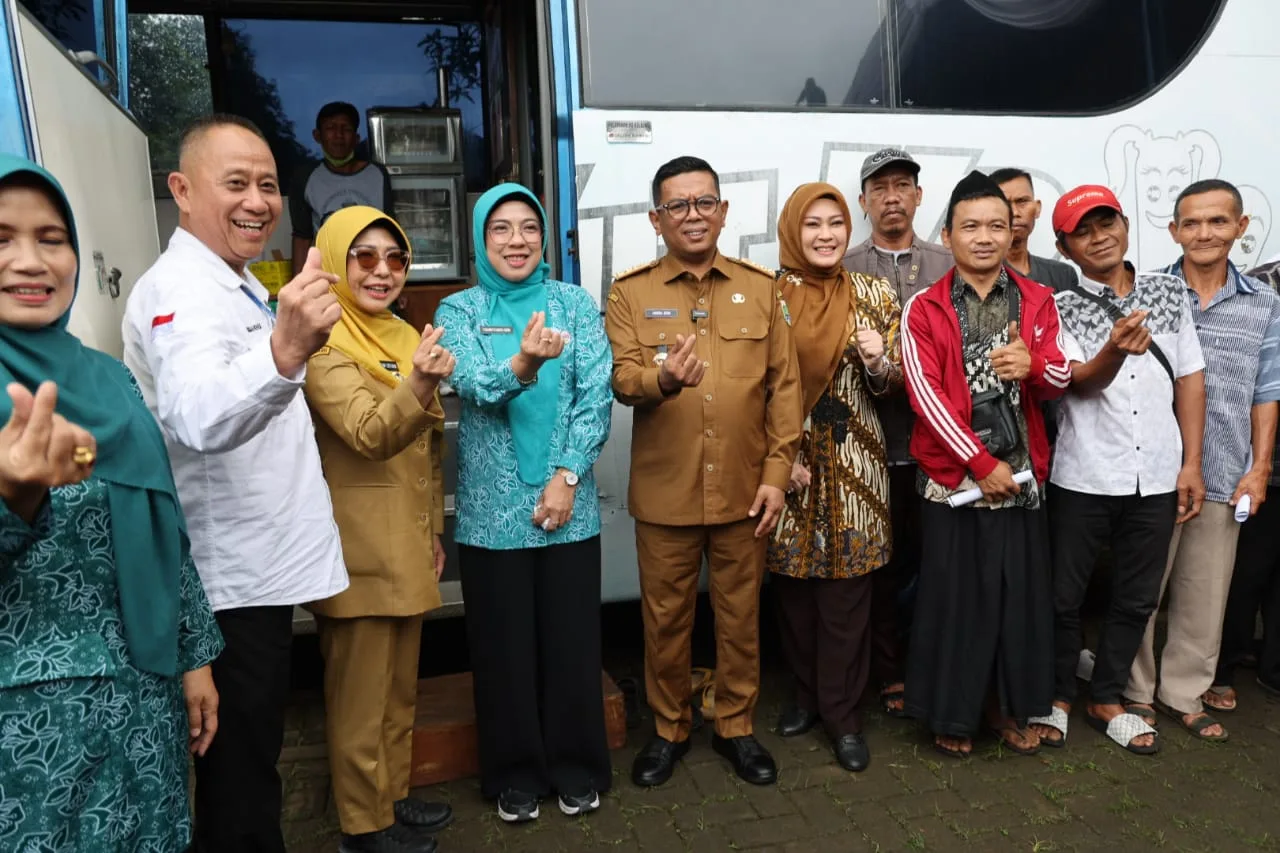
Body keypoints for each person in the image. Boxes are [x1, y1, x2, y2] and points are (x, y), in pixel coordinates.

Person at [122, 114, 350, 853]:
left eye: (269, 185)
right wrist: (285, 349)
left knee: (252, 759)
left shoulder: (237, 280)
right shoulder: (182, 290)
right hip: (229, 585)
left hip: (258, 571)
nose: (258, 202)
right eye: (237, 184)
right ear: (182, 190)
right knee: (240, 775)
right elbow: (195, 415)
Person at [0, 154, 223, 851]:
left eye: (51, 238)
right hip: (29, 739)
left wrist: (194, 656)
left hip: (142, 710)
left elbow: (164, 523)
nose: (30, 261)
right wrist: (14, 494)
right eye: (1, 239)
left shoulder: (110, 381)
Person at [605, 155, 803, 787]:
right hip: (667, 492)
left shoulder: (761, 288)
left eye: (703, 202)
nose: (692, 215)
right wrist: (662, 379)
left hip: (746, 489)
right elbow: (622, 378)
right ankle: (669, 729)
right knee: (666, 621)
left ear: (722, 211)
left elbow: (785, 390)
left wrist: (777, 474)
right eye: (677, 205)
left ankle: (736, 726)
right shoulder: (630, 292)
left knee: (740, 617)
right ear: (655, 219)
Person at [436, 183, 612, 824]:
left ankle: (576, 766)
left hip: (570, 505)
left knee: (571, 646)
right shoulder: (459, 309)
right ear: (481, 240)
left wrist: (567, 475)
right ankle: (514, 774)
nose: (517, 240)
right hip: (492, 515)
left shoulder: (573, 302)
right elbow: (471, 383)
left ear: (544, 237)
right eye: (501, 229)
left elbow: (596, 394)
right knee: (503, 650)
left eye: (529, 227)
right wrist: (523, 364)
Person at [1025, 185, 1206, 755]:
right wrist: (1114, 350)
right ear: (1063, 247)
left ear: (1126, 225)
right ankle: (1057, 695)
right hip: (1084, 474)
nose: (1099, 237)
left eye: (1107, 223)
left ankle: (1106, 698)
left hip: (1158, 472)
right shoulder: (1058, 306)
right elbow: (1076, 383)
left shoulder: (1168, 292)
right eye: (1082, 231)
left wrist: (1191, 463)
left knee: (1137, 597)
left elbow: (1190, 377)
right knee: (1063, 595)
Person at [899, 170, 1070, 758]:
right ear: (947, 236)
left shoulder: (1037, 299)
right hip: (953, 479)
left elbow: (1061, 379)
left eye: (997, 225)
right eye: (970, 226)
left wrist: (1034, 367)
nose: (984, 237)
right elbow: (924, 396)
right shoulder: (924, 307)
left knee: (1016, 599)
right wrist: (977, 462)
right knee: (957, 598)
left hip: (1020, 477)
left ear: (1012, 231)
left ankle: (1006, 708)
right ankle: (952, 712)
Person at [303, 207, 455, 853]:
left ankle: (390, 796)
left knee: (396, 690)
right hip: (358, 546)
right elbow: (368, 434)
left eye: (396, 257)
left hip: (407, 538)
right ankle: (362, 828)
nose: (382, 270)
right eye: (363, 256)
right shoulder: (324, 342)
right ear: (335, 261)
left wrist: (433, 528)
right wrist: (419, 380)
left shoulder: (399, 332)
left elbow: (427, 447)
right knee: (359, 701)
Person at [1124, 179, 1280, 742]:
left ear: (1241, 227)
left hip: (1225, 470)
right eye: (1191, 223)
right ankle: (1134, 691)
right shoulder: (1147, 293)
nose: (1204, 233)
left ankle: (1183, 693)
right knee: (1141, 591)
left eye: (1217, 221)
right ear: (1173, 231)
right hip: (1153, 471)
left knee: (1206, 591)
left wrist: (1259, 467)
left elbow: (1267, 390)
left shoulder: (1264, 303)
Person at [767, 182, 902, 773]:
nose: (826, 235)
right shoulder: (768, 296)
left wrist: (878, 362)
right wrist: (776, 460)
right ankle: (806, 698)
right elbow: (751, 387)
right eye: (812, 224)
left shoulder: (874, 293)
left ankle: (843, 718)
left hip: (855, 466)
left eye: (836, 223)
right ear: (792, 231)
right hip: (789, 465)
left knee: (847, 597)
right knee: (794, 593)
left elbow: (896, 385)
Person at [843, 147, 952, 717]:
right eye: (880, 188)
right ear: (864, 201)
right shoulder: (844, 267)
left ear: (918, 196)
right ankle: (888, 672)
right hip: (872, 448)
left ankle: (930, 666)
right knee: (880, 567)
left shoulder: (946, 264)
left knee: (937, 563)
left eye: (902, 185)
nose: (892, 197)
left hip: (940, 448)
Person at [1212, 256, 1280, 706]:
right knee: (1247, 571)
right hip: (1259, 458)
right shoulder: (1262, 286)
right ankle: (1223, 666)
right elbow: (1262, 383)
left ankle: (1273, 668)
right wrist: (1260, 463)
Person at [290, 102, 393, 275]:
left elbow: (391, 231)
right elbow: (302, 237)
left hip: (373, 271)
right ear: (317, 136)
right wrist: (299, 283)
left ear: (356, 138)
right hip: (328, 274)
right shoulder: (305, 177)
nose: (339, 135)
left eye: (346, 129)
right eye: (330, 128)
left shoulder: (377, 174)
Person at [989, 168, 1079, 291]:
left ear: (1037, 208)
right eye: (1004, 203)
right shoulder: (976, 277)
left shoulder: (1062, 274)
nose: (1014, 212)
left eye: (1022, 201)